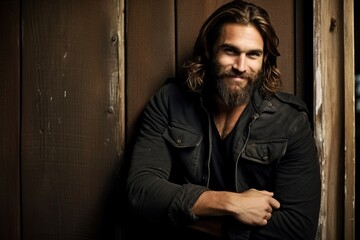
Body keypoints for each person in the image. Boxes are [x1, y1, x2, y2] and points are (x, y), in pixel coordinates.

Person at [125, 0, 321, 239]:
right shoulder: (169, 102)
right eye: (230, 51)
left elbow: (297, 228)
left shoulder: (290, 122)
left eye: (253, 55)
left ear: (265, 59)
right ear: (209, 49)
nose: (240, 66)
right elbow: (140, 191)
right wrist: (232, 203)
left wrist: (184, 216)